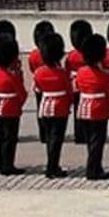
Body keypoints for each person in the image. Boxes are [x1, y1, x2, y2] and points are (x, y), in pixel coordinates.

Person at [75, 33, 109, 180]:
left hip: (84, 108)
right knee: (97, 142)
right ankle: (93, 170)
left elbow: (78, 86)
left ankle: (96, 166)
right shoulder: (104, 75)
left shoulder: (81, 72)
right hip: (98, 109)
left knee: (91, 141)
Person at [33, 32, 72, 178]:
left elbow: (37, 89)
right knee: (57, 138)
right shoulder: (62, 73)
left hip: (45, 106)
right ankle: (52, 166)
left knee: (50, 138)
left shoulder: (39, 72)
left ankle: (51, 164)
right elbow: (68, 91)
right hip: (60, 107)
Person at [0, 35, 27, 176]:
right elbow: (22, 93)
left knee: (0, 137)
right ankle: (8, 165)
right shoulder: (12, 76)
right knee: (10, 138)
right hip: (11, 108)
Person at [66, 19, 93, 145]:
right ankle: (86, 134)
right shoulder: (88, 54)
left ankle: (79, 134)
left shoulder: (71, 55)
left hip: (74, 84)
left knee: (77, 109)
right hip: (87, 84)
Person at [28, 20, 55, 143]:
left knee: (40, 110)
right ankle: (50, 133)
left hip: (39, 85)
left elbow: (32, 68)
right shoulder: (50, 52)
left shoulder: (33, 55)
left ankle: (43, 134)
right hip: (51, 85)